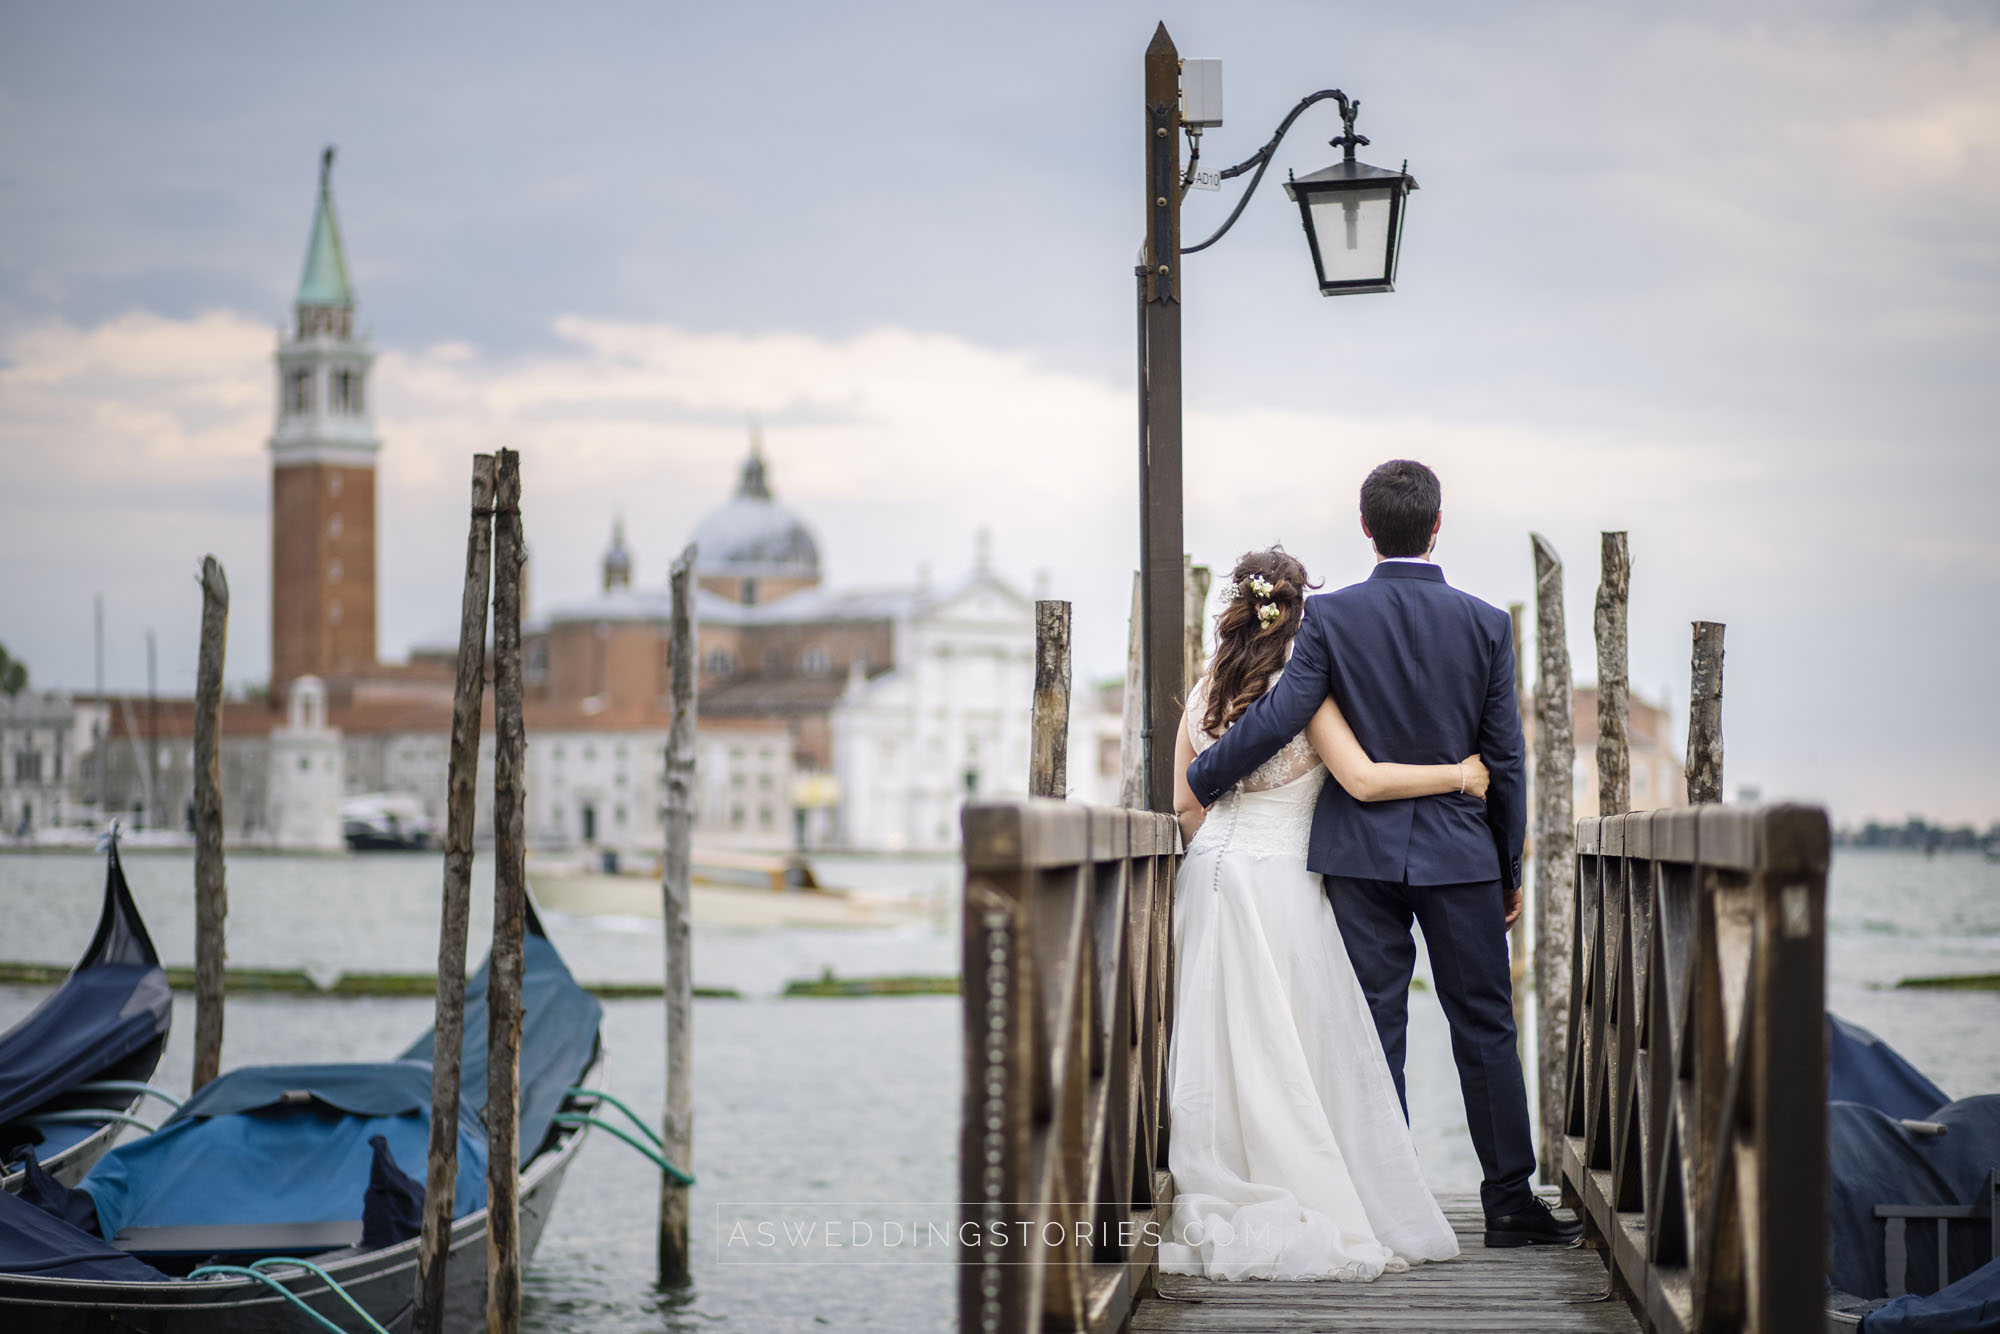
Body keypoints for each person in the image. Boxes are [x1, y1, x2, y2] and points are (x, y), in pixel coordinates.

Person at [1184, 460, 1581, 1251]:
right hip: (1461, 857)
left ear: (1367, 529)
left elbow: (1289, 710)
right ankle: (1508, 1202)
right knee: (1486, 1029)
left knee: (1374, 1030)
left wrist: (1207, 771)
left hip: (1358, 857)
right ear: (1438, 526)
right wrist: (1509, 872)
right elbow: (1505, 759)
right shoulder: (1486, 624)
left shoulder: (1332, 617)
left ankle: (1385, 1199)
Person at [1158, 545, 1469, 1281]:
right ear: (1299, 616)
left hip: (1210, 878)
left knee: (1223, 1041)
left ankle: (1221, 1169)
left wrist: (1226, 855)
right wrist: (1460, 772)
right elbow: (1361, 779)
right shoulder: (1306, 697)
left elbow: (1183, 807)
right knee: (1293, 1044)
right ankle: (1306, 1181)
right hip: (1282, 885)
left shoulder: (1201, 696)